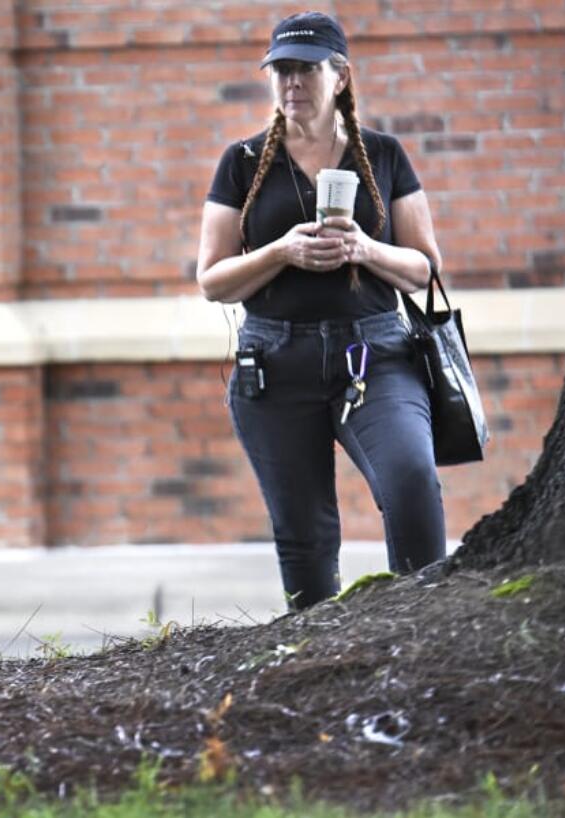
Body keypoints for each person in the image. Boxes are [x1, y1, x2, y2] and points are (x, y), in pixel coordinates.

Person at [195, 11, 446, 610]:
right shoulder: (243, 161)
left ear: (340, 77)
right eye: (281, 70)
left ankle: (422, 624)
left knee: (412, 479)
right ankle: (319, 659)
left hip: (376, 354)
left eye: (306, 69)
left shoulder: (382, 155)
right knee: (304, 537)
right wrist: (282, 252)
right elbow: (212, 280)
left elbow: (425, 267)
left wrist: (363, 247)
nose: (292, 84)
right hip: (276, 362)